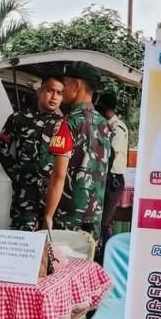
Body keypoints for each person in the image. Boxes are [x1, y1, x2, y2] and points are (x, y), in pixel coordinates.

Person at [41, 61, 111, 244]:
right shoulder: (104, 124)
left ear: (77, 85)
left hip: (68, 215)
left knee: (62, 269)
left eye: (66, 83)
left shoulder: (67, 123)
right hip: (94, 215)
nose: (63, 89)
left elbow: (59, 175)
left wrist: (48, 215)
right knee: (86, 267)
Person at [0, 75, 66, 230]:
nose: (54, 97)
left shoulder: (64, 124)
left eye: (59, 93)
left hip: (52, 198)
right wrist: (16, 172)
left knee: (50, 248)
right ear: (39, 91)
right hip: (24, 197)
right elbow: (1, 147)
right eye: (50, 90)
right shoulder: (19, 118)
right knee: (22, 244)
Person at [95, 91, 129, 245]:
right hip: (106, 178)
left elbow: (111, 154)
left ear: (106, 109)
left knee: (104, 222)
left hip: (112, 180)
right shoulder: (106, 126)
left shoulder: (117, 128)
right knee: (100, 220)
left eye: (100, 108)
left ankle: (105, 255)